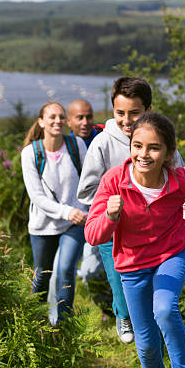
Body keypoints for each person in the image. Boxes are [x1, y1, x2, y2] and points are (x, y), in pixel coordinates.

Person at [84, 112, 185, 368]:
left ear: (168, 153)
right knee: (145, 339)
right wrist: (111, 217)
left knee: (166, 310)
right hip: (132, 264)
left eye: (154, 148)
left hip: (172, 254)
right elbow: (92, 234)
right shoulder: (114, 181)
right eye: (137, 146)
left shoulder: (183, 178)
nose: (144, 154)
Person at [77, 77, 184, 344]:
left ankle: (153, 342)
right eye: (120, 113)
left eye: (134, 113)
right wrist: (113, 205)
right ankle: (121, 314)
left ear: (147, 110)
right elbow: (86, 191)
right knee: (121, 287)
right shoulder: (103, 143)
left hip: (155, 233)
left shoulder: (162, 141)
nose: (126, 120)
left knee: (151, 296)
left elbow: (181, 185)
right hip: (114, 230)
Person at [21, 101, 87, 325]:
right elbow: (37, 199)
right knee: (42, 277)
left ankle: (64, 326)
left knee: (66, 271)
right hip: (43, 226)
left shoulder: (76, 145)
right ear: (41, 122)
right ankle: (36, 326)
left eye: (61, 117)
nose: (57, 121)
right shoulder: (30, 154)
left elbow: (89, 181)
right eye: (52, 117)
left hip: (74, 223)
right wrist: (67, 211)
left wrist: (84, 210)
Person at [47, 98, 113, 319]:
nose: (85, 122)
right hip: (73, 219)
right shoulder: (63, 145)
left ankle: (113, 310)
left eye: (89, 116)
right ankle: (57, 320)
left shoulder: (105, 139)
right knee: (69, 270)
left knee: (93, 270)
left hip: (102, 216)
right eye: (79, 117)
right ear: (69, 121)